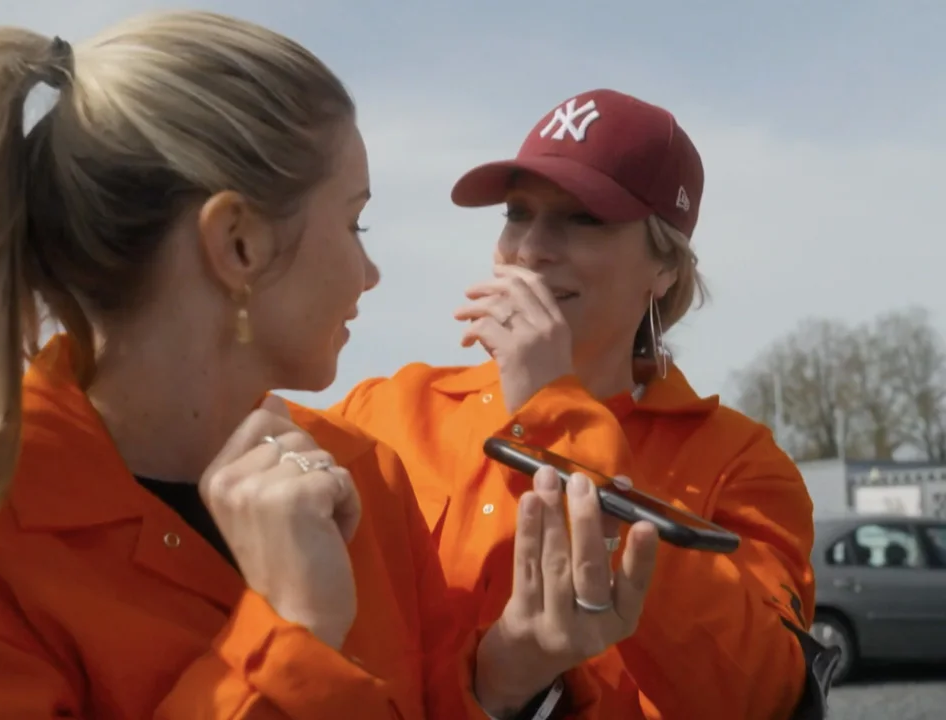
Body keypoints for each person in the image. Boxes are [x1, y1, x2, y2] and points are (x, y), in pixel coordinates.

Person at [0, 13, 653, 720]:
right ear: (236, 244)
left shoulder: (361, 474)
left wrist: (509, 679)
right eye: (353, 219)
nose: (371, 269)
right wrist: (287, 634)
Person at [333, 88, 822, 719]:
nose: (532, 247)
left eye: (584, 218)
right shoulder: (389, 409)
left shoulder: (740, 463)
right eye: (516, 212)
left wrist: (554, 414)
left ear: (664, 269)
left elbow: (761, 696)